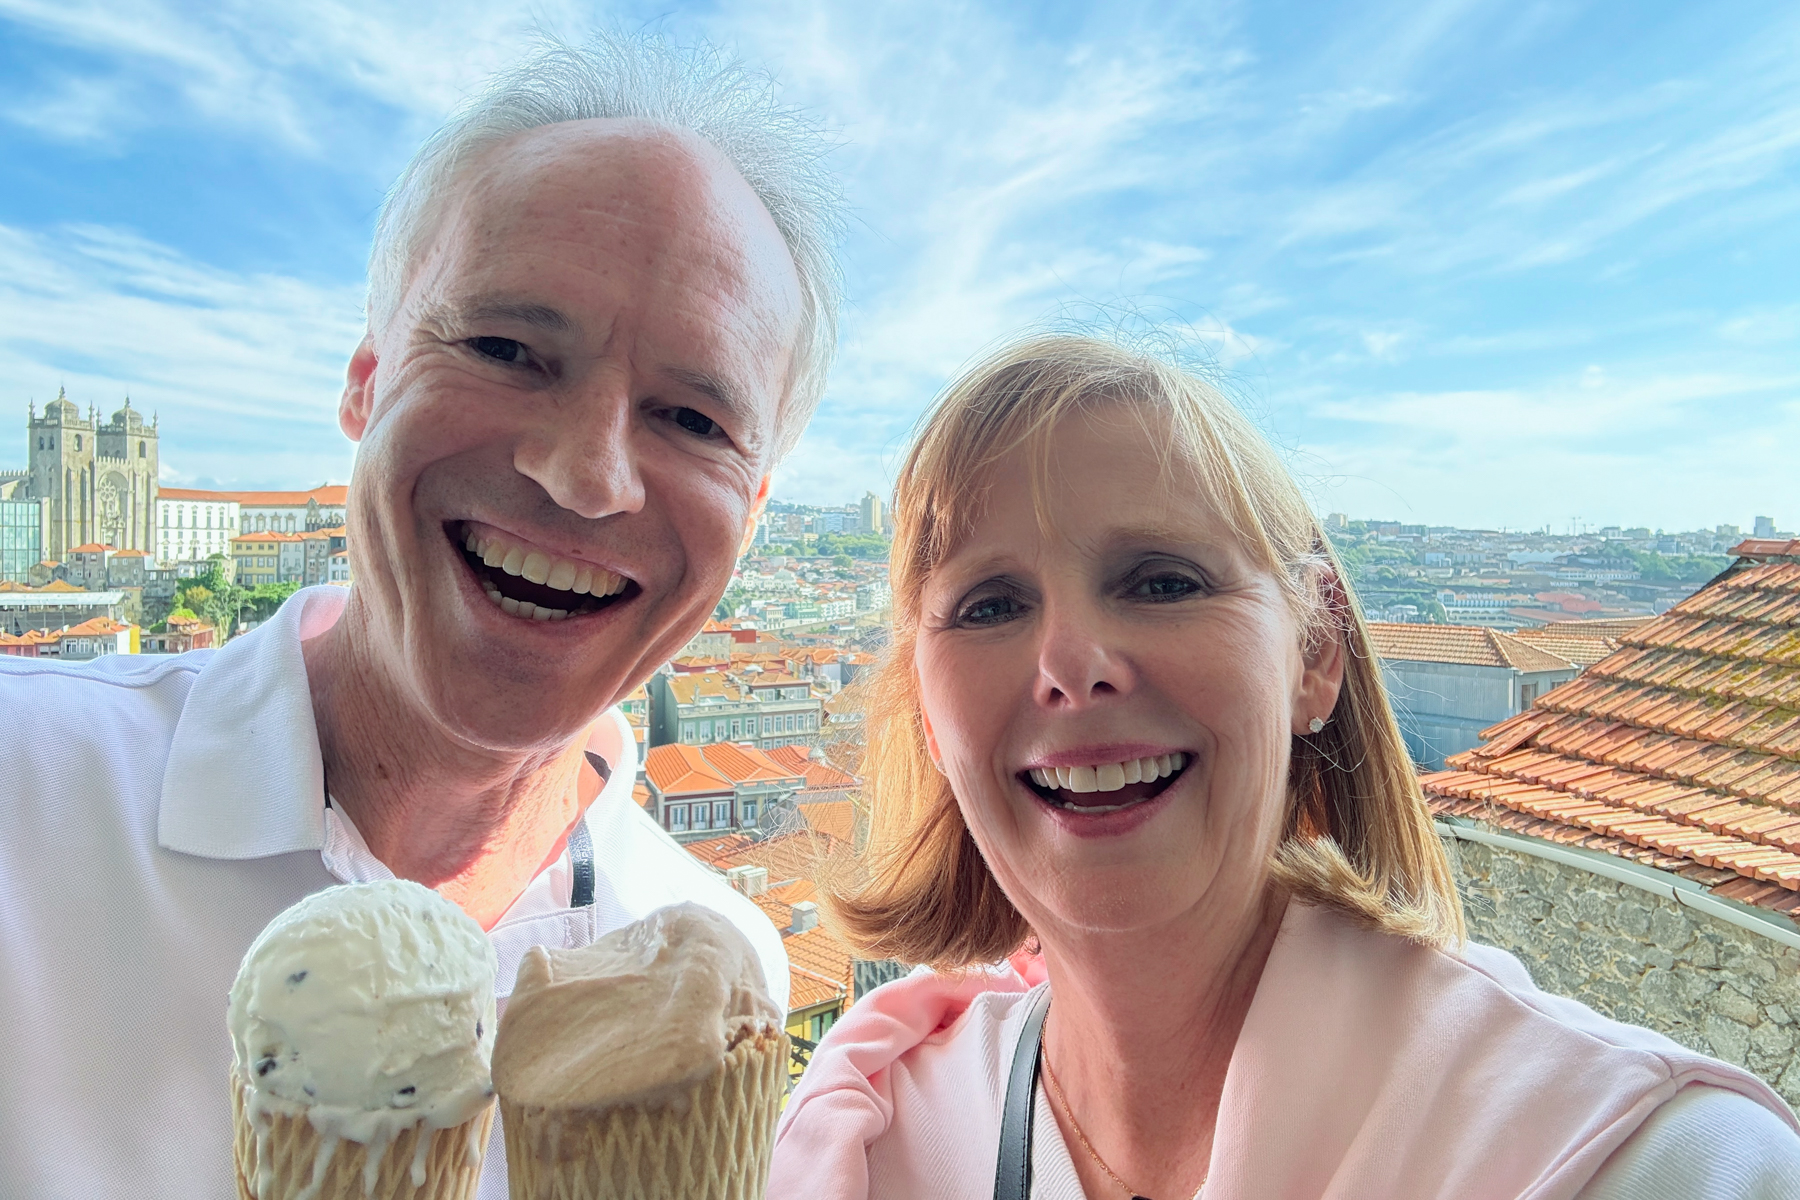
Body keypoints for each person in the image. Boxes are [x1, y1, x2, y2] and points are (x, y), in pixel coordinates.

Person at [0, 33, 841, 1200]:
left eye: (695, 419)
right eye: (507, 349)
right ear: (366, 380)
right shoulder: (22, 791)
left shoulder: (718, 969)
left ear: (749, 515)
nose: (585, 474)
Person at [769, 334, 1800, 1199]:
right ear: (928, 710)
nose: (1070, 666)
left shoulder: (1645, 1164)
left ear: (1316, 656)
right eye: (990, 605)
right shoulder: (873, 1141)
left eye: (1163, 582)